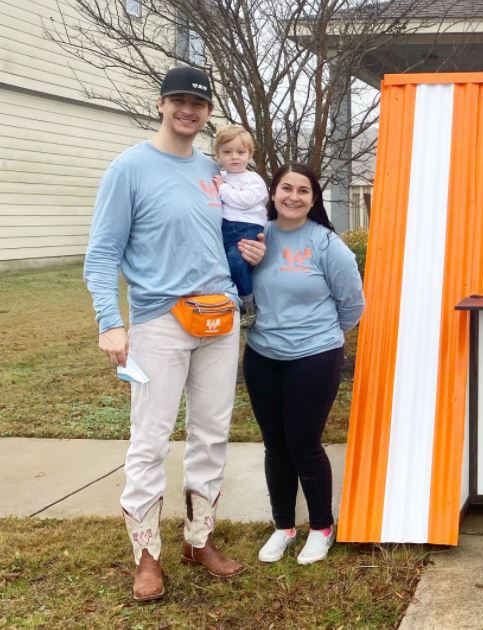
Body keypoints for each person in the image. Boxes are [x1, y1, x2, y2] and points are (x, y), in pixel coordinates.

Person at [83, 66, 265, 602]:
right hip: (160, 321)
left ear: (209, 113)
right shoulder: (130, 168)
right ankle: (146, 555)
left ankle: (198, 539)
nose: (189, 110)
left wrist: (247, 255)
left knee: (211, 434)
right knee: (151, 439)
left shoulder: (217, 170)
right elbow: (102, 253)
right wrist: (110, 323)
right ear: (162, 104)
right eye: (180, 100)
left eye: (199, 104)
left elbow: (237, 228)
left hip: (218, 319)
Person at [242, 163, 364, 565]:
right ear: (272, 194)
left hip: (314, 357)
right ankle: (283, 527)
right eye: (286, 188)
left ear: (314, 199)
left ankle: (321, 527)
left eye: (303, 191)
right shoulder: (255, 235)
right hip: (262, 355)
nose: (293, 197)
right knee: (275, 446)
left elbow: (352, 305)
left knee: (304, 444)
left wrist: (320, 337)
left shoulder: (327, 245)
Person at [212, 124, 268, 327]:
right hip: (225, 228)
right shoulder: (221, 177)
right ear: (218, 155)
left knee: (236, 261)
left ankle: (249, 304)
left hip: (247, 229)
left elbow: (245, 200)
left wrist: (223, 189)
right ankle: (229, 305)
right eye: (227, 152)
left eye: (240, 152)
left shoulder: (253, 179)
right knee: (225, 266)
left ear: (250, 154)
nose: (234, 157)